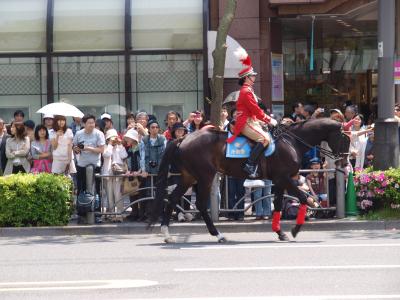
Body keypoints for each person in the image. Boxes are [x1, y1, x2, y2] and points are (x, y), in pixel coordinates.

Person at [227, 47, 277, 178]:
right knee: (264, 139)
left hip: (251, 120)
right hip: (246, 122)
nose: (255, 76)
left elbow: (253, 111)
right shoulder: (246, 91)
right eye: (253, 75)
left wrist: (262, 120)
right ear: (247, 78)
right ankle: (249, 165)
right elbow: (255, 109)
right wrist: (269, 119)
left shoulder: (248, 89)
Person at [73, 114, 105, 223]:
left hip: (95, 165)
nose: (91, 125)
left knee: (96, 190)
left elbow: (101, 150)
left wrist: (87, 148)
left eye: (93, 122)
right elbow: (75, 147)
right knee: (81, 189)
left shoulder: (99, 134)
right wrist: (77, 149)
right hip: (81, 164)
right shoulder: (78, 134)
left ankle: (97, 213)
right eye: (89, 123)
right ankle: (81, 214)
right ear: (84, 124)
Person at [139, 119, 166, 221]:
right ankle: (150, 215)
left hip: (160, 170)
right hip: (148, 171)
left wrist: (165, 170)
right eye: (152, 127)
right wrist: (143, 170)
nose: (155, 129)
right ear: (149, 129)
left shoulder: (163, 139)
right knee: (149, 193)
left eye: (156, 127)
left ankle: (160, 215)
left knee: (161, 193)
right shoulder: (144, 140)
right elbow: (142, 156)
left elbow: (165, 156)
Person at [102, 128, 128, 222]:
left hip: (118, 173)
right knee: (109, 195)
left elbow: (124, 156)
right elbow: (106, 155)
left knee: (118, 194)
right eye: (111, 138)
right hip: (108, 174)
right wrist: (110, 144)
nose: (113, 140)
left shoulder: (119, 146)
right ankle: (111, 214)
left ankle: (119, 214)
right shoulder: (105, 146)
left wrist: (120, 144)